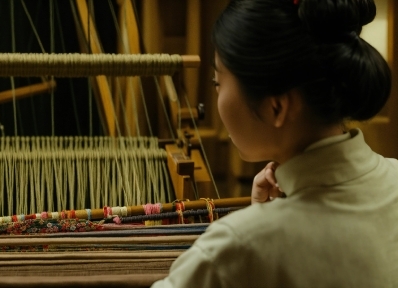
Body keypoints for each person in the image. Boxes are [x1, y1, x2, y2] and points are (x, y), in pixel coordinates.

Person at [151, 0, 398, 287]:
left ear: (276, 107)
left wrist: (258, 227)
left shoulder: (235, 249)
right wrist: (263, 218)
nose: (215, 96)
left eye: (218, 81)